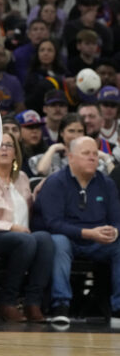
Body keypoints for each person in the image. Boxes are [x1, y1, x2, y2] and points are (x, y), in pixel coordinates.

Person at [0, 132, 54, 322]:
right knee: (25, 240)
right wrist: (10, 226)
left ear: (16, 152)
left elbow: (30, 211)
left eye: (9, 145)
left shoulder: (22, 178)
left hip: (23, 236)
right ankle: (7, 302)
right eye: (0, 145)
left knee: (46, 239)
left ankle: (33, 303)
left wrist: (41, 192)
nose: (4, 149)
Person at [35, 136, 120, 324]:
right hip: (69, 239)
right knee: (58, 242)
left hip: (99, 242)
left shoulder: (106, 184)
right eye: (86, 153)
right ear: (71, 157)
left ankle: (118, 309)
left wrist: (114, 231)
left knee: (119, 245)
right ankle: (61, 305)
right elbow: (52, 223)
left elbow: (116, 219)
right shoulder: (56, 182)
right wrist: (88, 233)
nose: (92, 158)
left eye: (94, 154)